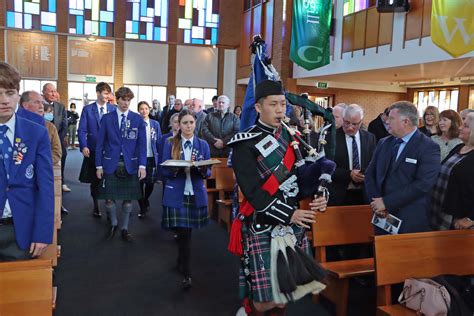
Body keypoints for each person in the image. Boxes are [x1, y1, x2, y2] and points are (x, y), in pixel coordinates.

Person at [228, 80, 330, 314]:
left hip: (292, 226)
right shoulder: (244, 143)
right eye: (273, 104)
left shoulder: (293, 136)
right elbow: (253, 193)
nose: (280, 109)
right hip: (263, 224)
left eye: (283, 104)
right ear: (258, 108)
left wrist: (321, 194)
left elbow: (305, 177)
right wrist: (290, 214)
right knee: (264, 300)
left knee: (286, 294)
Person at [0, 62, 54, 261]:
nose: (4, 100)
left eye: (10, 92)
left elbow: (46, 186)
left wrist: (42, 233)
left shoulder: (36, 132)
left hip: (22, 229)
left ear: (17, 94)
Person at [365, 101, 440, 234]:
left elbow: (423, 184)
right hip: (381, 215)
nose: (387, 122)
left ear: (406, 121)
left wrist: (387, 202)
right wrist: (377, 203)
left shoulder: (428, 147)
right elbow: (370, 174)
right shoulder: (384, 142)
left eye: (391, 118)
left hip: (409, 218)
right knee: (381, 253)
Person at [159, 109, 211, 289]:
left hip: (194, 193)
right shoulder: (170, 143)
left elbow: (208, 171)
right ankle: (186, 270)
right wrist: (175, 168)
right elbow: (163, 171)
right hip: (176, 192)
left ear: (195, 124)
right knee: (183, 233)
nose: (188, 126)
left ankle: (183, 263)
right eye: (185, 123)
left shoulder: (203, 144)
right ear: (178, 125)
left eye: (191, 123)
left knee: (186, 233)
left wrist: (202, 168)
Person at [96, 87, 146, 242]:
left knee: (128, 198)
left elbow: (142, 145)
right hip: (110, 163)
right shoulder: (106, 118)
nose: (126, 103)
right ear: (116, 99)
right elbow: (100, 144)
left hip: (130, 163)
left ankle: (124, 228)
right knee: (109, 198)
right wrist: (98, 165)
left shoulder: (137, 119)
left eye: (128, 100)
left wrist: (142, 166)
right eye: (123, 99)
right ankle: (114, 223)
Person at [429, 112, 474, 231]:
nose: (459, 127)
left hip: (457, 217)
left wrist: (471, 218)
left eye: (465, 126)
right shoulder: (458, 148)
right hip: (439, 207)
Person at [78, 82, 115, 218]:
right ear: (98, 93)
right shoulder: (88, 109)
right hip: (93, 149)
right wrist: (84, 145)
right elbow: (82, 129)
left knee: (110, 178)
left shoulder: (113, 109)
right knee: (95, 179)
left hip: (110, 151)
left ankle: (109, 205)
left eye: (109, 93)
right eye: (105, 93)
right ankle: (95, 205)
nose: (108, 96)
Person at [328, 104, 377, 206]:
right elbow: (325, 167)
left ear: (361, 122)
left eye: (355, 124)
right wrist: (349, 174)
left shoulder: (370, 138)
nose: (350, 127)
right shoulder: (330, 138)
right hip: (339, 195)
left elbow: (374, 164)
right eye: (347, 123)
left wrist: (366, 174)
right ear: (343, 119)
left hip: (365, 195)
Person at [19, 91, 62, 166]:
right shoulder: (15, 125)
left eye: (42, 103)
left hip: (41, 170)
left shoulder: (50, 127)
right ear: (25, 105)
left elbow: (57, 152)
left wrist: (38, 163)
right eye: (37, 102)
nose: (41, 106)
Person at [137, 101, 162, 219]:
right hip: (139, 158)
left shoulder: (155, 124)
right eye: (141, 109)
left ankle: (145, 199)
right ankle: (142, 206)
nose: (144, 111)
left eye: (146, 108)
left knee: (150, 183)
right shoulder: (135, 123)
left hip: (152, 156)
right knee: (139, 183)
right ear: (138, 110)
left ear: (149, 110)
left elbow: (159, 140)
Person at [42, 83, 69, 192]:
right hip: (42, 141)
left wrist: (57, 139)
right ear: (44, 92)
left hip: (58, 141)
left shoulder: (60, 106)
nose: (53, 94)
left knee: (62, 158)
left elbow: (64, 125)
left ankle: (61, 182)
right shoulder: (39, 105)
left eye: (54, 91)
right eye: (50, 91)